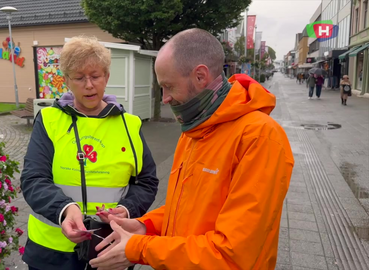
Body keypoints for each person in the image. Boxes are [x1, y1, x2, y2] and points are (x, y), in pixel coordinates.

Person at [89, 28, 294, 270]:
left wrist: (140, 248)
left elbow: (232, 254)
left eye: (168, 86)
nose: (164, 98)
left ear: (200, 76)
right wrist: (146, 226)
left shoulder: (259, 138)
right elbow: (188, 210)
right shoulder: (194, 130)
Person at [20, 36, 159, 270]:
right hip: (52, 251)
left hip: (110, 246)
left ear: (107, 76)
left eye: (95, 76)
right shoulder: (49, 120)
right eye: (79, 77)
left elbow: (147, 181)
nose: (88, 85)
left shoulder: (130, 124)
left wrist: (127, 209)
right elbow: (33, 179)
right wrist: (65, 209)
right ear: (66, 80)